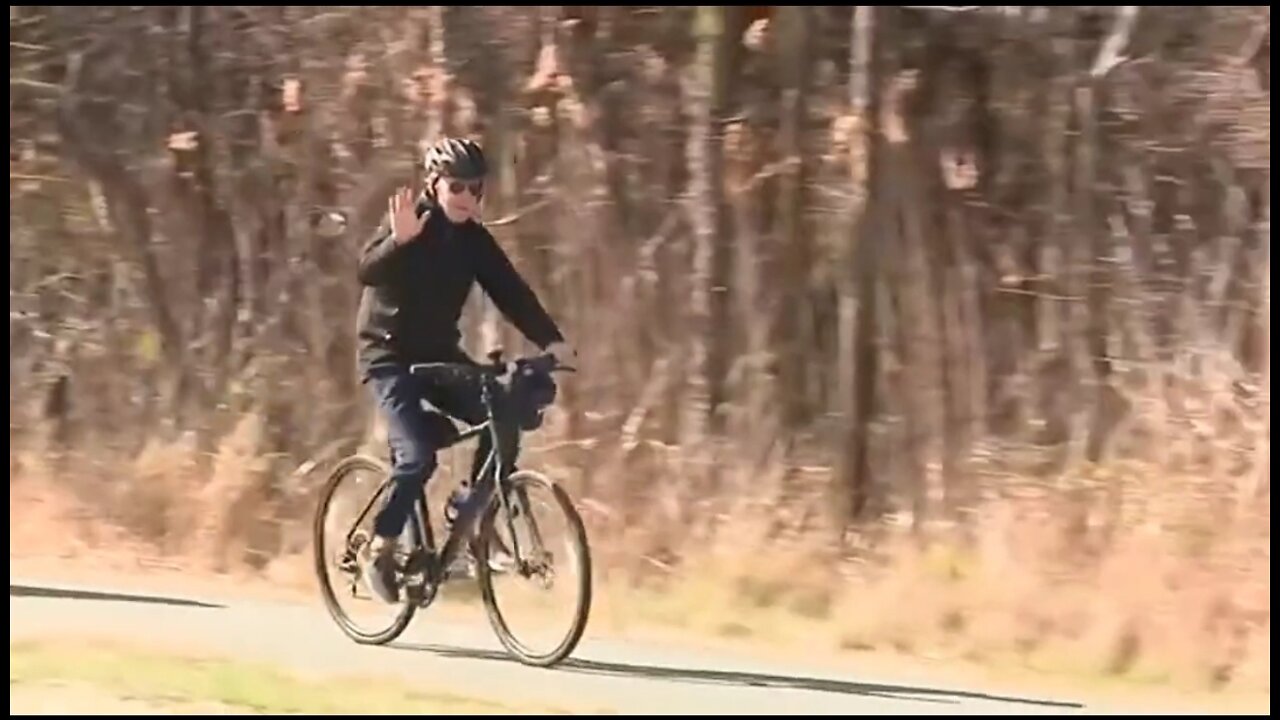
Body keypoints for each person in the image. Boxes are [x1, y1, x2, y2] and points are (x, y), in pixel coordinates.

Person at [355, 137, 573, 603]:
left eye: (477, 190)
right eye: (457, 187)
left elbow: (511, 292)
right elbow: (368, 271)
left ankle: (470, 510)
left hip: (439, 355)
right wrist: (398, 241)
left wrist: (551, 340)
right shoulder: (411, 223)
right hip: (389, 358)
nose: (468, 198)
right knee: (416, 457)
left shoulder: (475, 241)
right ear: (433, 185)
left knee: (503, 409)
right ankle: (381, 544)